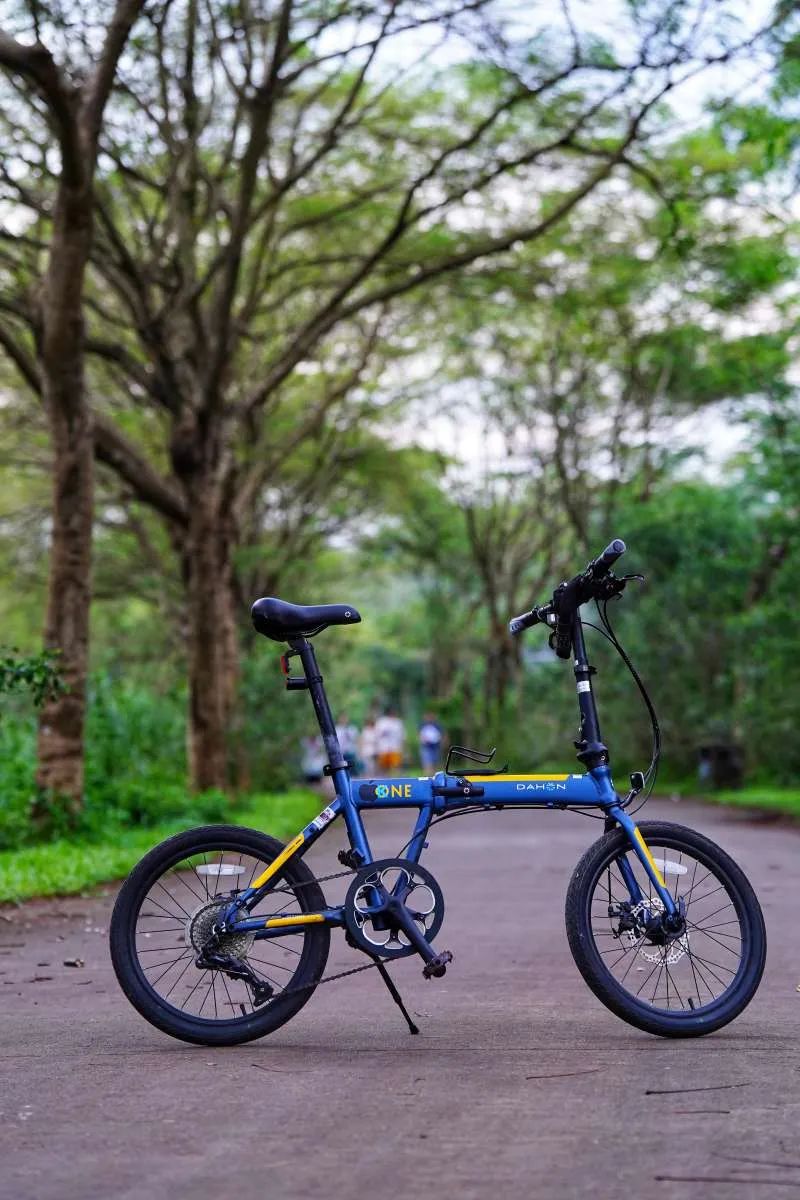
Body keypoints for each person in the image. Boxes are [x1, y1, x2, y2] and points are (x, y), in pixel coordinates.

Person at [375, 708, 405, 773]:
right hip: (384, 747)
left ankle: (395, 780)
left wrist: (403, 747)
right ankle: (383, 779)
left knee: (395, 766)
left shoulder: (398, 722)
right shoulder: (382, 722)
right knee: (383, 767)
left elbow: (402, 736)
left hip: (395, 747)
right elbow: (377, 734)